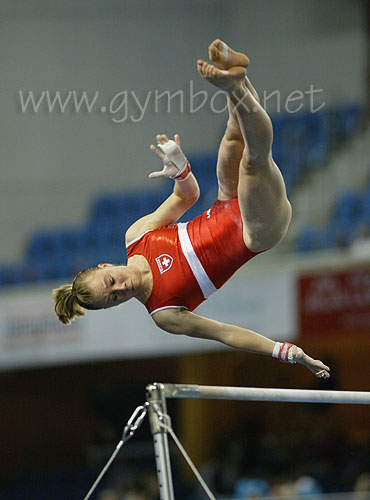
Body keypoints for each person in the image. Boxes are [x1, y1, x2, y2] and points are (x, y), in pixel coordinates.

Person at [53, 39, 330, 379]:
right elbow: (226, 333)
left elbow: (187, 197)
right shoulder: (164, 312)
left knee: (232, 136)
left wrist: (180, 170)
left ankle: (236, 70)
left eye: (109, 281)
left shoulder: (137, 237)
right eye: (113, 298)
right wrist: (284, 351)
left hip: (224, 204)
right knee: (253, 164)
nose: (119, 288)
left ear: (105, 266)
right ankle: (234, 84)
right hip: (255, 233)